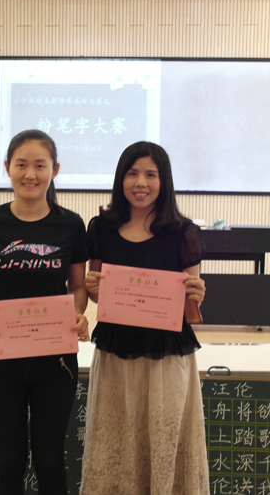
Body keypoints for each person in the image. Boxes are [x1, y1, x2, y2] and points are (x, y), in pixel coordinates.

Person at [80, 141, 209, 495]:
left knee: (164, 438)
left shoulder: (183, 232)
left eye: (151, 175)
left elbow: (191, 303)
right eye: (132, 173)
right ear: (120, 179)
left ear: (164, 181)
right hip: (116, 352)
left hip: (166, 353)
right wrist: (93, 287)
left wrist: (196, 295)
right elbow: (98, 295)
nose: (141, 183)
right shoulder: (101, 228)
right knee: (115, 436)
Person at [0, 129, 89, 495]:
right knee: (9, 459)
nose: (30, 174)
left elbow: (78, 287)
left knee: (50, 458)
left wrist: (77, 313)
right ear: (7, 167)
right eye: (21, 165)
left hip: (56, 359)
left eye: (40, 165)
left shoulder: (71, 224)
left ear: (55, 170)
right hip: (1, 357)